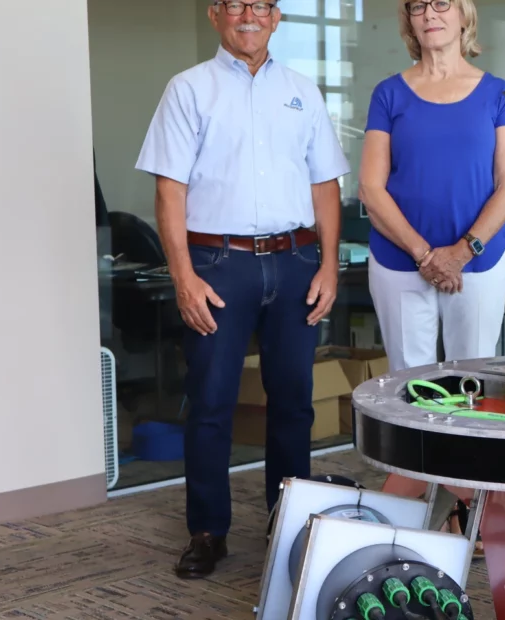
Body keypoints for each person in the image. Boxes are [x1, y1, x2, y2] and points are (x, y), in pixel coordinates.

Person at [135, 0, 349, 578]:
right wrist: (183, 277)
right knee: (211, 402)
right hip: (216, 263)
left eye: (260, 5)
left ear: (277, 17)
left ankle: (291, 519)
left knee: (293, 403)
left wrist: (328, 266)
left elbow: (325, 184)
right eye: (235, 5)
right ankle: (208, 530)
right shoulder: (188, 89)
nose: (247, 15)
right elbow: (169, 193)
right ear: (214, 15)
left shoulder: (303, 90)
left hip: (294, 261)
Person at [358, 0, 505, 373]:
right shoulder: (388, 94)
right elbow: (369, 188)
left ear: (463, 15)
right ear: (409, 22)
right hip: (399, 262)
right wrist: (424, 256)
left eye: (441, 3)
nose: (429, 13)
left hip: (478, 262)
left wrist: (462, 251)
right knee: (409, 385)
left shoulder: (497, 94)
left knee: (473, 383)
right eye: (417, 6)